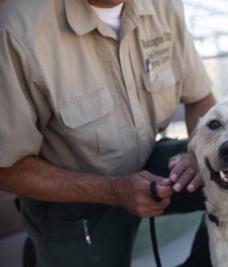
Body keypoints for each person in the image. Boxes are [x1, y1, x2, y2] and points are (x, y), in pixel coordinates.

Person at [0, 0, 216, 266]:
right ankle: (45, 250)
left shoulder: (164, 5)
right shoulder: (16, 28)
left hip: (149, 162)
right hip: (71, 202)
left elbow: (200, 98)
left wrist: (199, 154)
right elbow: (6, 168)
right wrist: (114, 190)